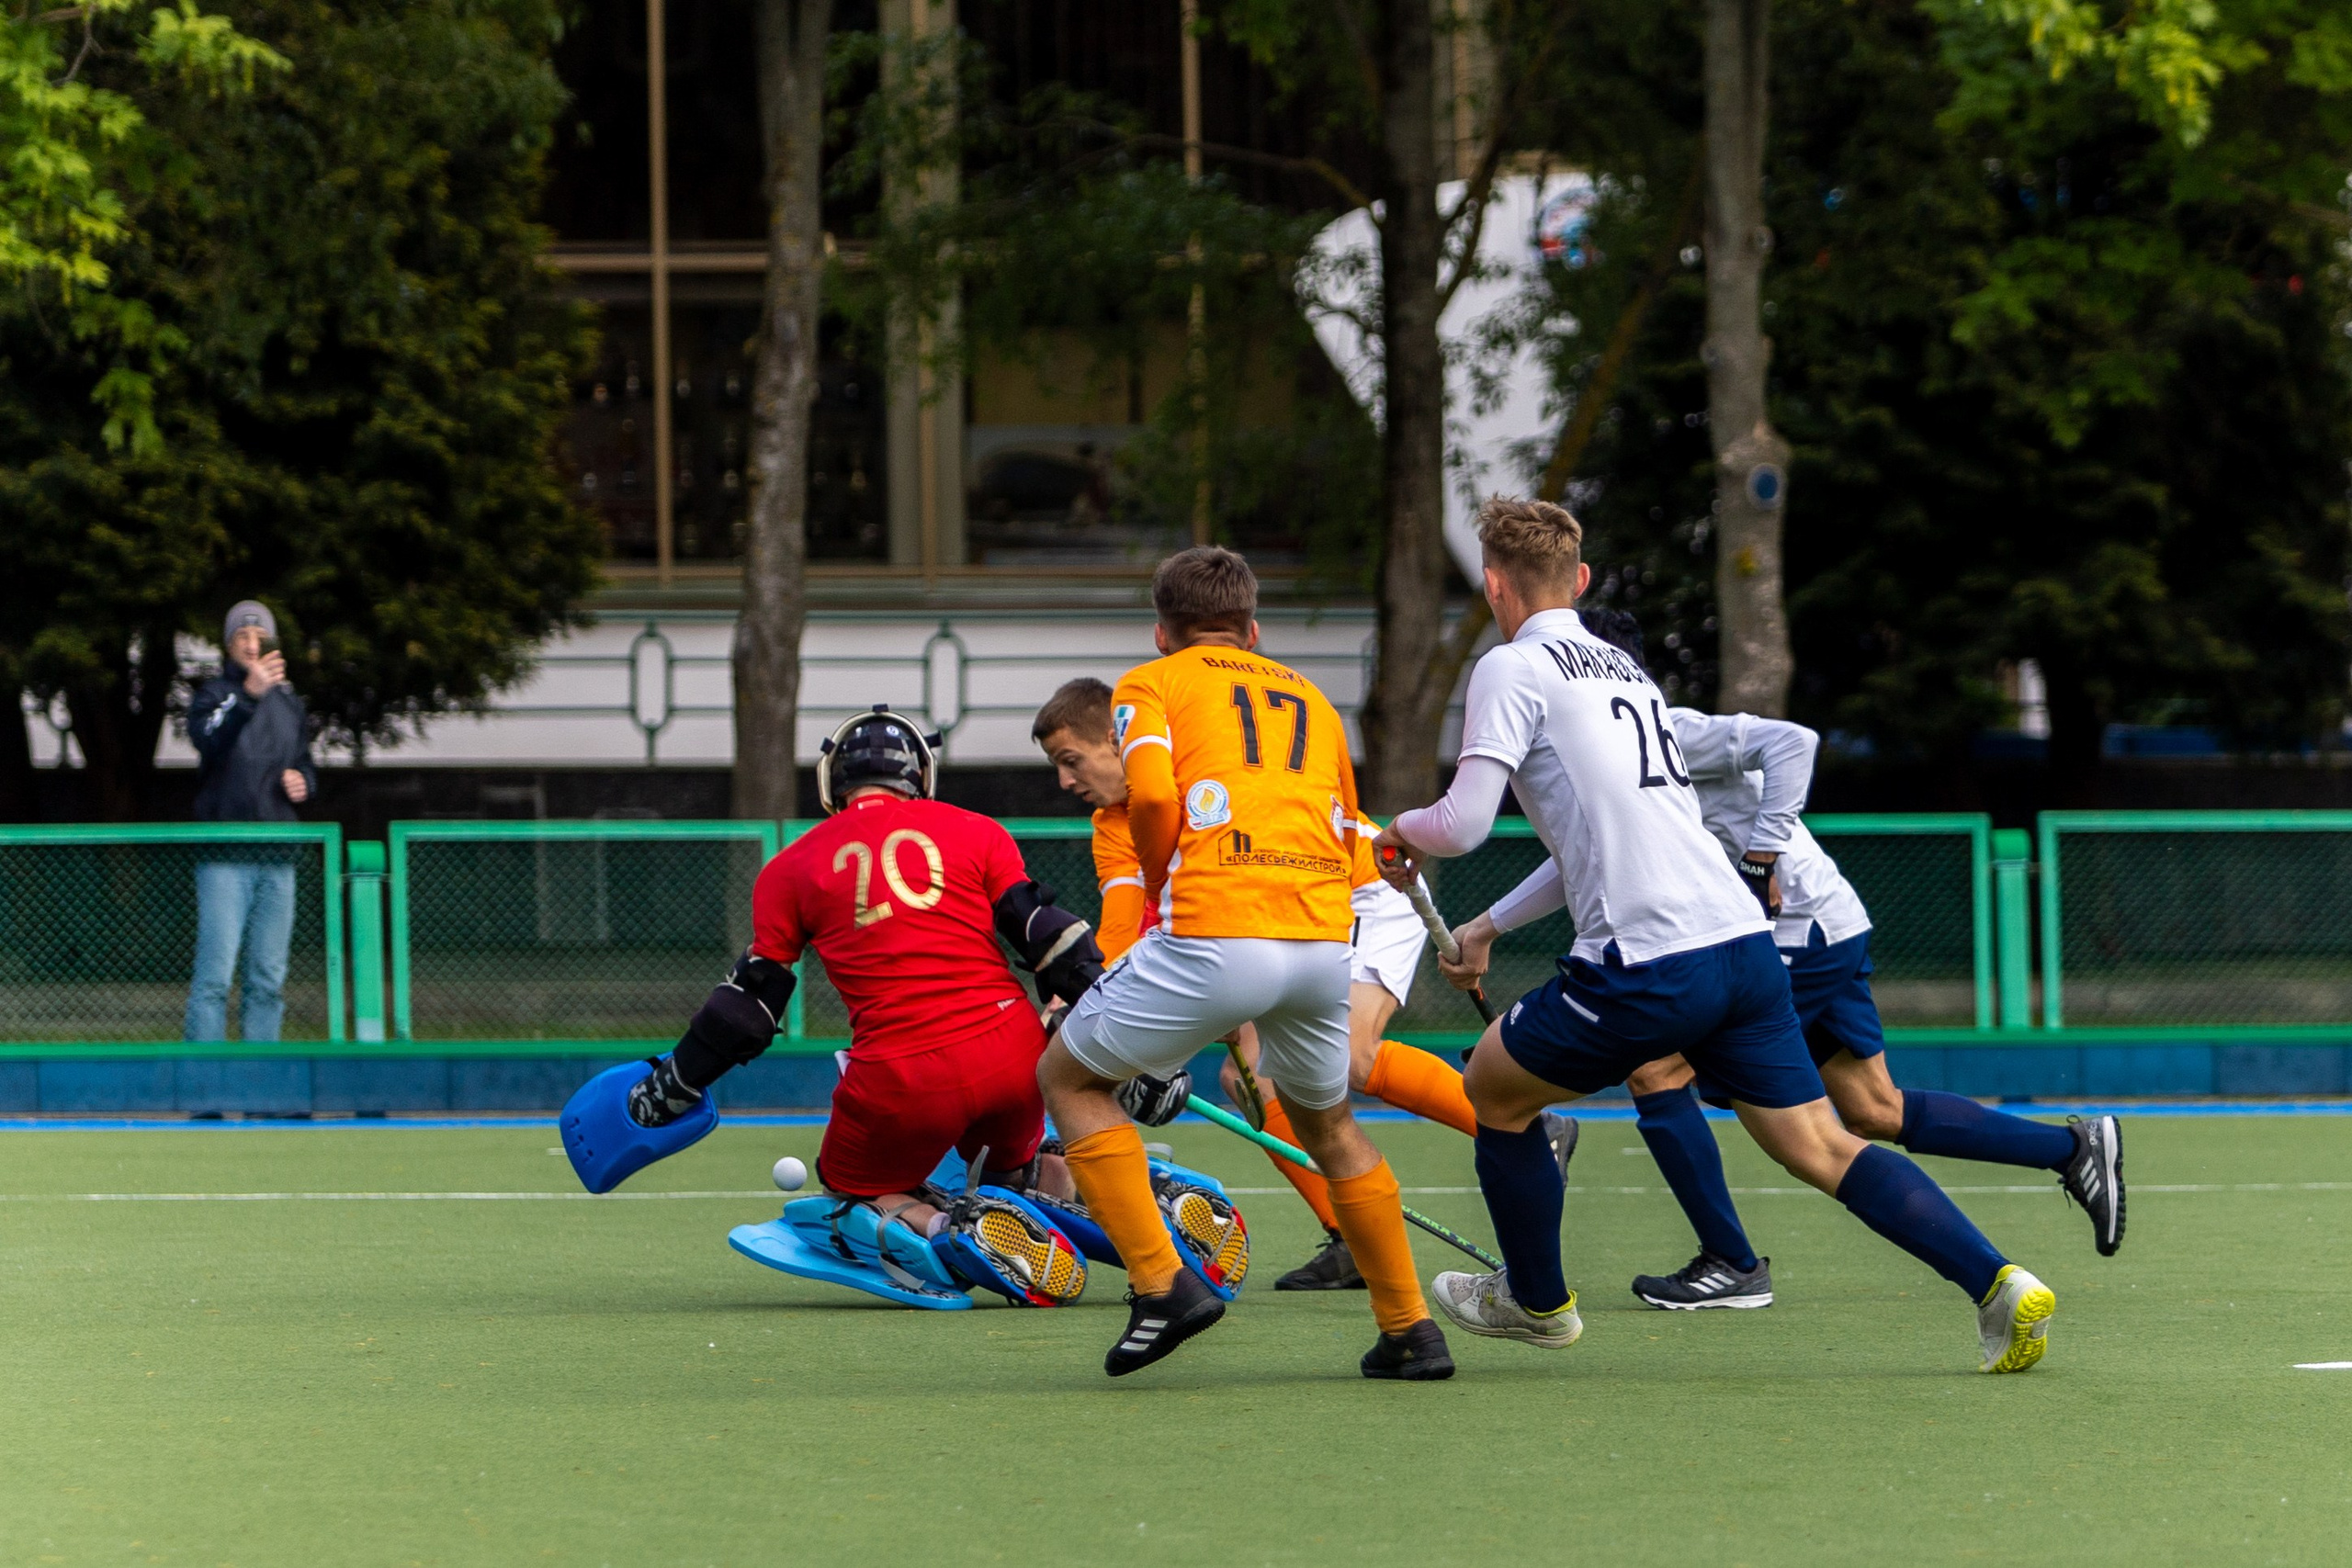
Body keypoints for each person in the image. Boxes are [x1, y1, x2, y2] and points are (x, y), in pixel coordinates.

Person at [1376, 496, 2057, 1375]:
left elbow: (1461, 825)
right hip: (1744, 946)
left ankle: (1536, 1302)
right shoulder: (1625, 672)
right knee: (1825, 1143)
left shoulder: (1512, 667)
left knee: (1494, 1090)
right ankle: (1999, 1283)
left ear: (1495, 584)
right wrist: (1487, 923)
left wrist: (1399, 830)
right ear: (1579, 580)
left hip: (1646, 960)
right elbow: (1600, 841)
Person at [563, 705, 1216, 1310]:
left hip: (902, 1074)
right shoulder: (979, 831)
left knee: (846, 1187)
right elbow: (1057, 945)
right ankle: (1134, 1208)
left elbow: (746, 1013)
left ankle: (949, 1224)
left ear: (832, 785)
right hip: (1014, 1053)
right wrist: (1137, 1054)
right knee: (1014, 1169)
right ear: (921, 777)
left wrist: (670, 1087)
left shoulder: (789, 868)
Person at [1566, 608, 2124, 1310]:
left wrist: (1761, 850)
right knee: (1872, 1107)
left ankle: (1731, 1262)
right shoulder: (1607, 755)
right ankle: (2071, 1151)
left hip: (1798, 929)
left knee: (1658, 1068)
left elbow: (1795, 740)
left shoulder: (1667, 728)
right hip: (1820, 922)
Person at [1037, 547, 1454, 1380]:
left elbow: (1153, 796)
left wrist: (1164, 889)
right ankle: (1410, 1329)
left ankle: (1162, 1285)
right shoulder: (1312, 698)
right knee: (1329, 1125)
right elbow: (1345, 829)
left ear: (1163, 631)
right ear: (1254, 627)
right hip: (1319, 939)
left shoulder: (1150, 684)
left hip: (1215, 928)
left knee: (1069, 1080)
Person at [1033, 676, 1582, 1291]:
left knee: (1349, 1055)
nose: (1064, 781)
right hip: (1266, 919)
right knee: (1251, 1079)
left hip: (1365, 892)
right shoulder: (1113, 825)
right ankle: (1347, 1236)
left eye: (1070, 760)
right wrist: (1078, 997)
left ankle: (1526, 1128)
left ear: (1117, 738)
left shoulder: (1187, 768)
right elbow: (1120, 930)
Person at [183, 601, 317, 1043]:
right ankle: (208, 1095)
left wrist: (305, 783)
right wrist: (247, 695)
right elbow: (208, 740)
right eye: (242, 636)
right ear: (229, 645)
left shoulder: (291, 705)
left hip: (278, 856)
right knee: (215, 978)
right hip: (225, 857)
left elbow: (304, 765)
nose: (251, 644)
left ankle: (262, 1086)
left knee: (267, 979)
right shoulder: (213, 695)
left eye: (260, 637)